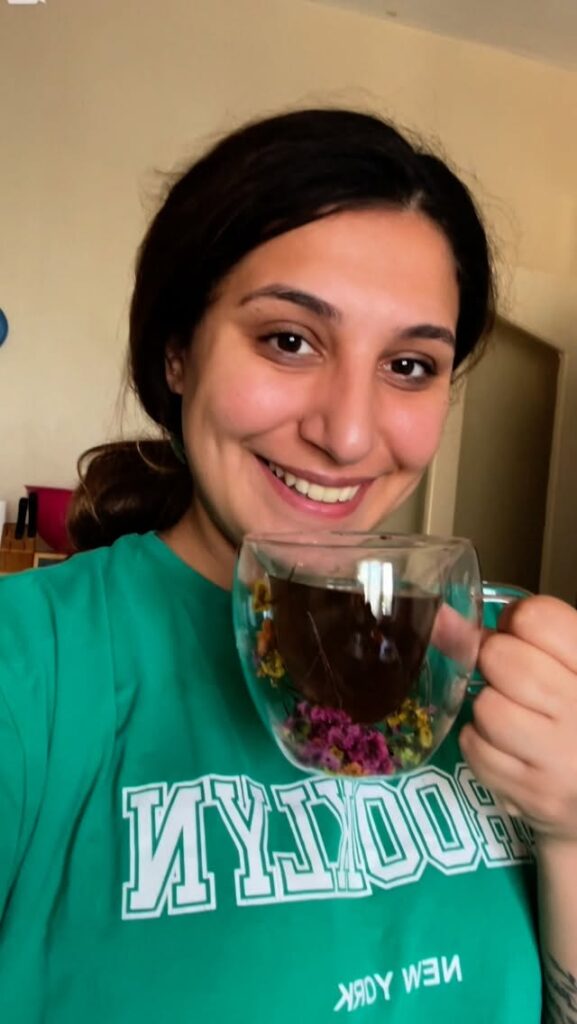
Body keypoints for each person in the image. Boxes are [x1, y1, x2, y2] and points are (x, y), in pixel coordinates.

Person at [0, 108, 576, 1024]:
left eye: (408, 364)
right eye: (289, 340)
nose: (346, 434)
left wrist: (571, 836)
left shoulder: (508, 684)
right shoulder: (30, 668)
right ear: (177, 353)